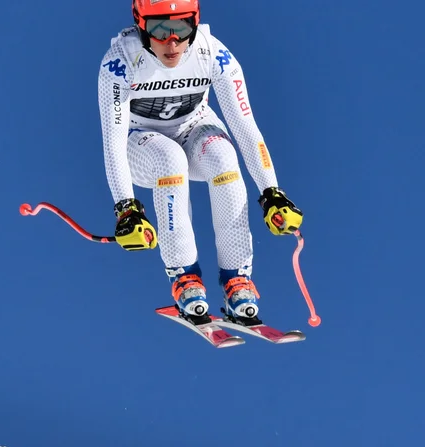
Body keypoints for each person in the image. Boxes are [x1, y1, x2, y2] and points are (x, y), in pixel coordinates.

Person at [97, 0, 303, 322]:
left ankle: (238, 280)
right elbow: (112, 142)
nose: (172, 42)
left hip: (194, 127)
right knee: (170, 159)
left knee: (223, 157)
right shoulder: (120, 64)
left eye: (181, 28)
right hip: (141, 143)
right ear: (140, 25)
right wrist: (127, 207)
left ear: (195, 23)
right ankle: (184, 276)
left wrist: (272, 193)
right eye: (159, 30)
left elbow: (246, 128)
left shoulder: (213, 55)